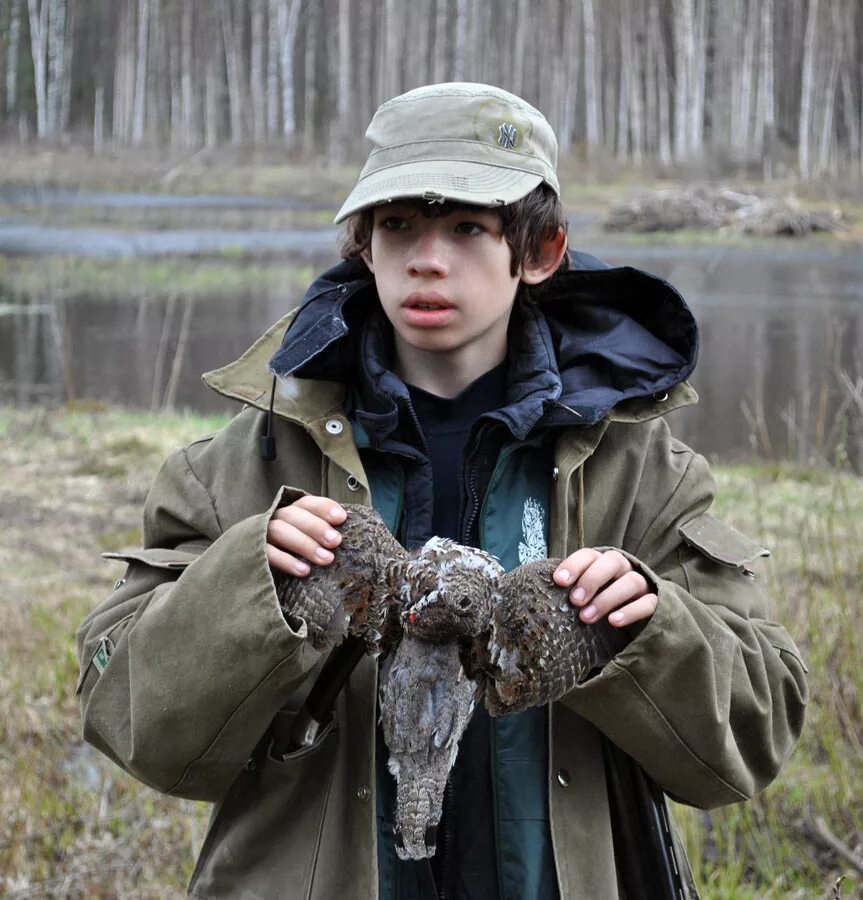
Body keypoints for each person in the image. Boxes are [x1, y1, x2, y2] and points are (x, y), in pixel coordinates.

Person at [76, 83, 807, 900]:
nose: (428, 257)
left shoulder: (639, 470)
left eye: (467, 226)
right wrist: (250, 591)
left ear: (540, 251)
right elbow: (128, 722)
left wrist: (645, 631)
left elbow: (753, 739)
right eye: (399, 225)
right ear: (364, 245)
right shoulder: (239, 465)